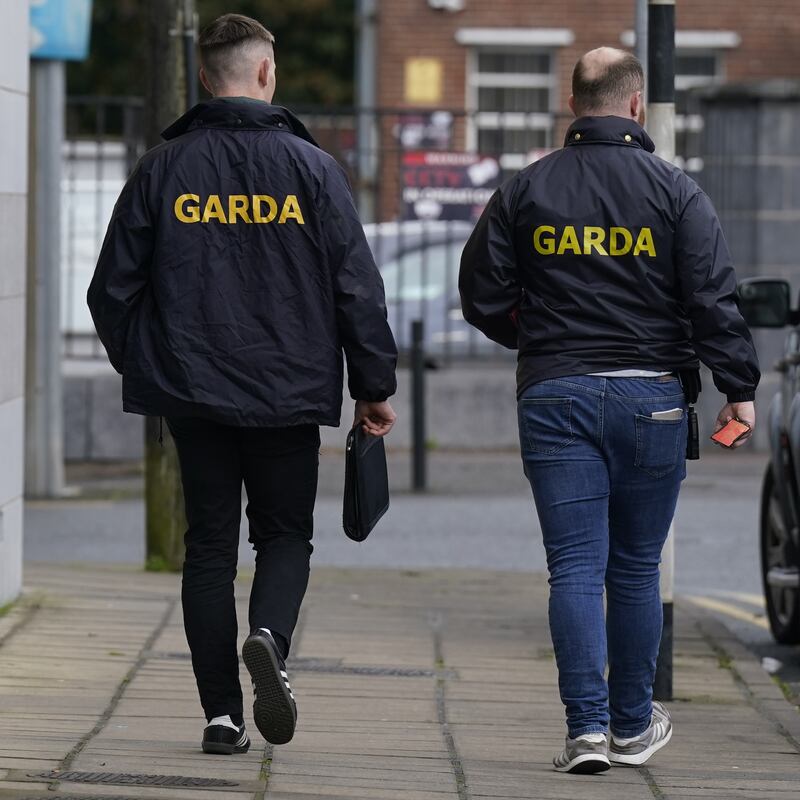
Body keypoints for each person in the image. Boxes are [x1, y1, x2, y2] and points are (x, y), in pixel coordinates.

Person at [88, 13, 397, 755]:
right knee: (284, 535)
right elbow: (356, 288)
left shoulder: (161, 169)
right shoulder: (314, 169)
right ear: (265, 72)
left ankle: (222, 717)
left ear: (204, 77)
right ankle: (269, 638)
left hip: (192, 392)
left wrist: (153, 367)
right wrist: (373, 384)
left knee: (208, 548)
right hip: (287, 392)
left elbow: (110, 292)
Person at [459, 47, 759, 774]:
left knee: (573, 568)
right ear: (635, 105)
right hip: (652, 397)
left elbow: (481, 294)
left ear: (573, 104)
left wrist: (539, 339)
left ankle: (585, 732)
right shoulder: (676, 191)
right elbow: (712, 297)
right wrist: (738, 386)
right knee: (634, 569)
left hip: (554, 393)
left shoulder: (526, 189)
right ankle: (630, 727)